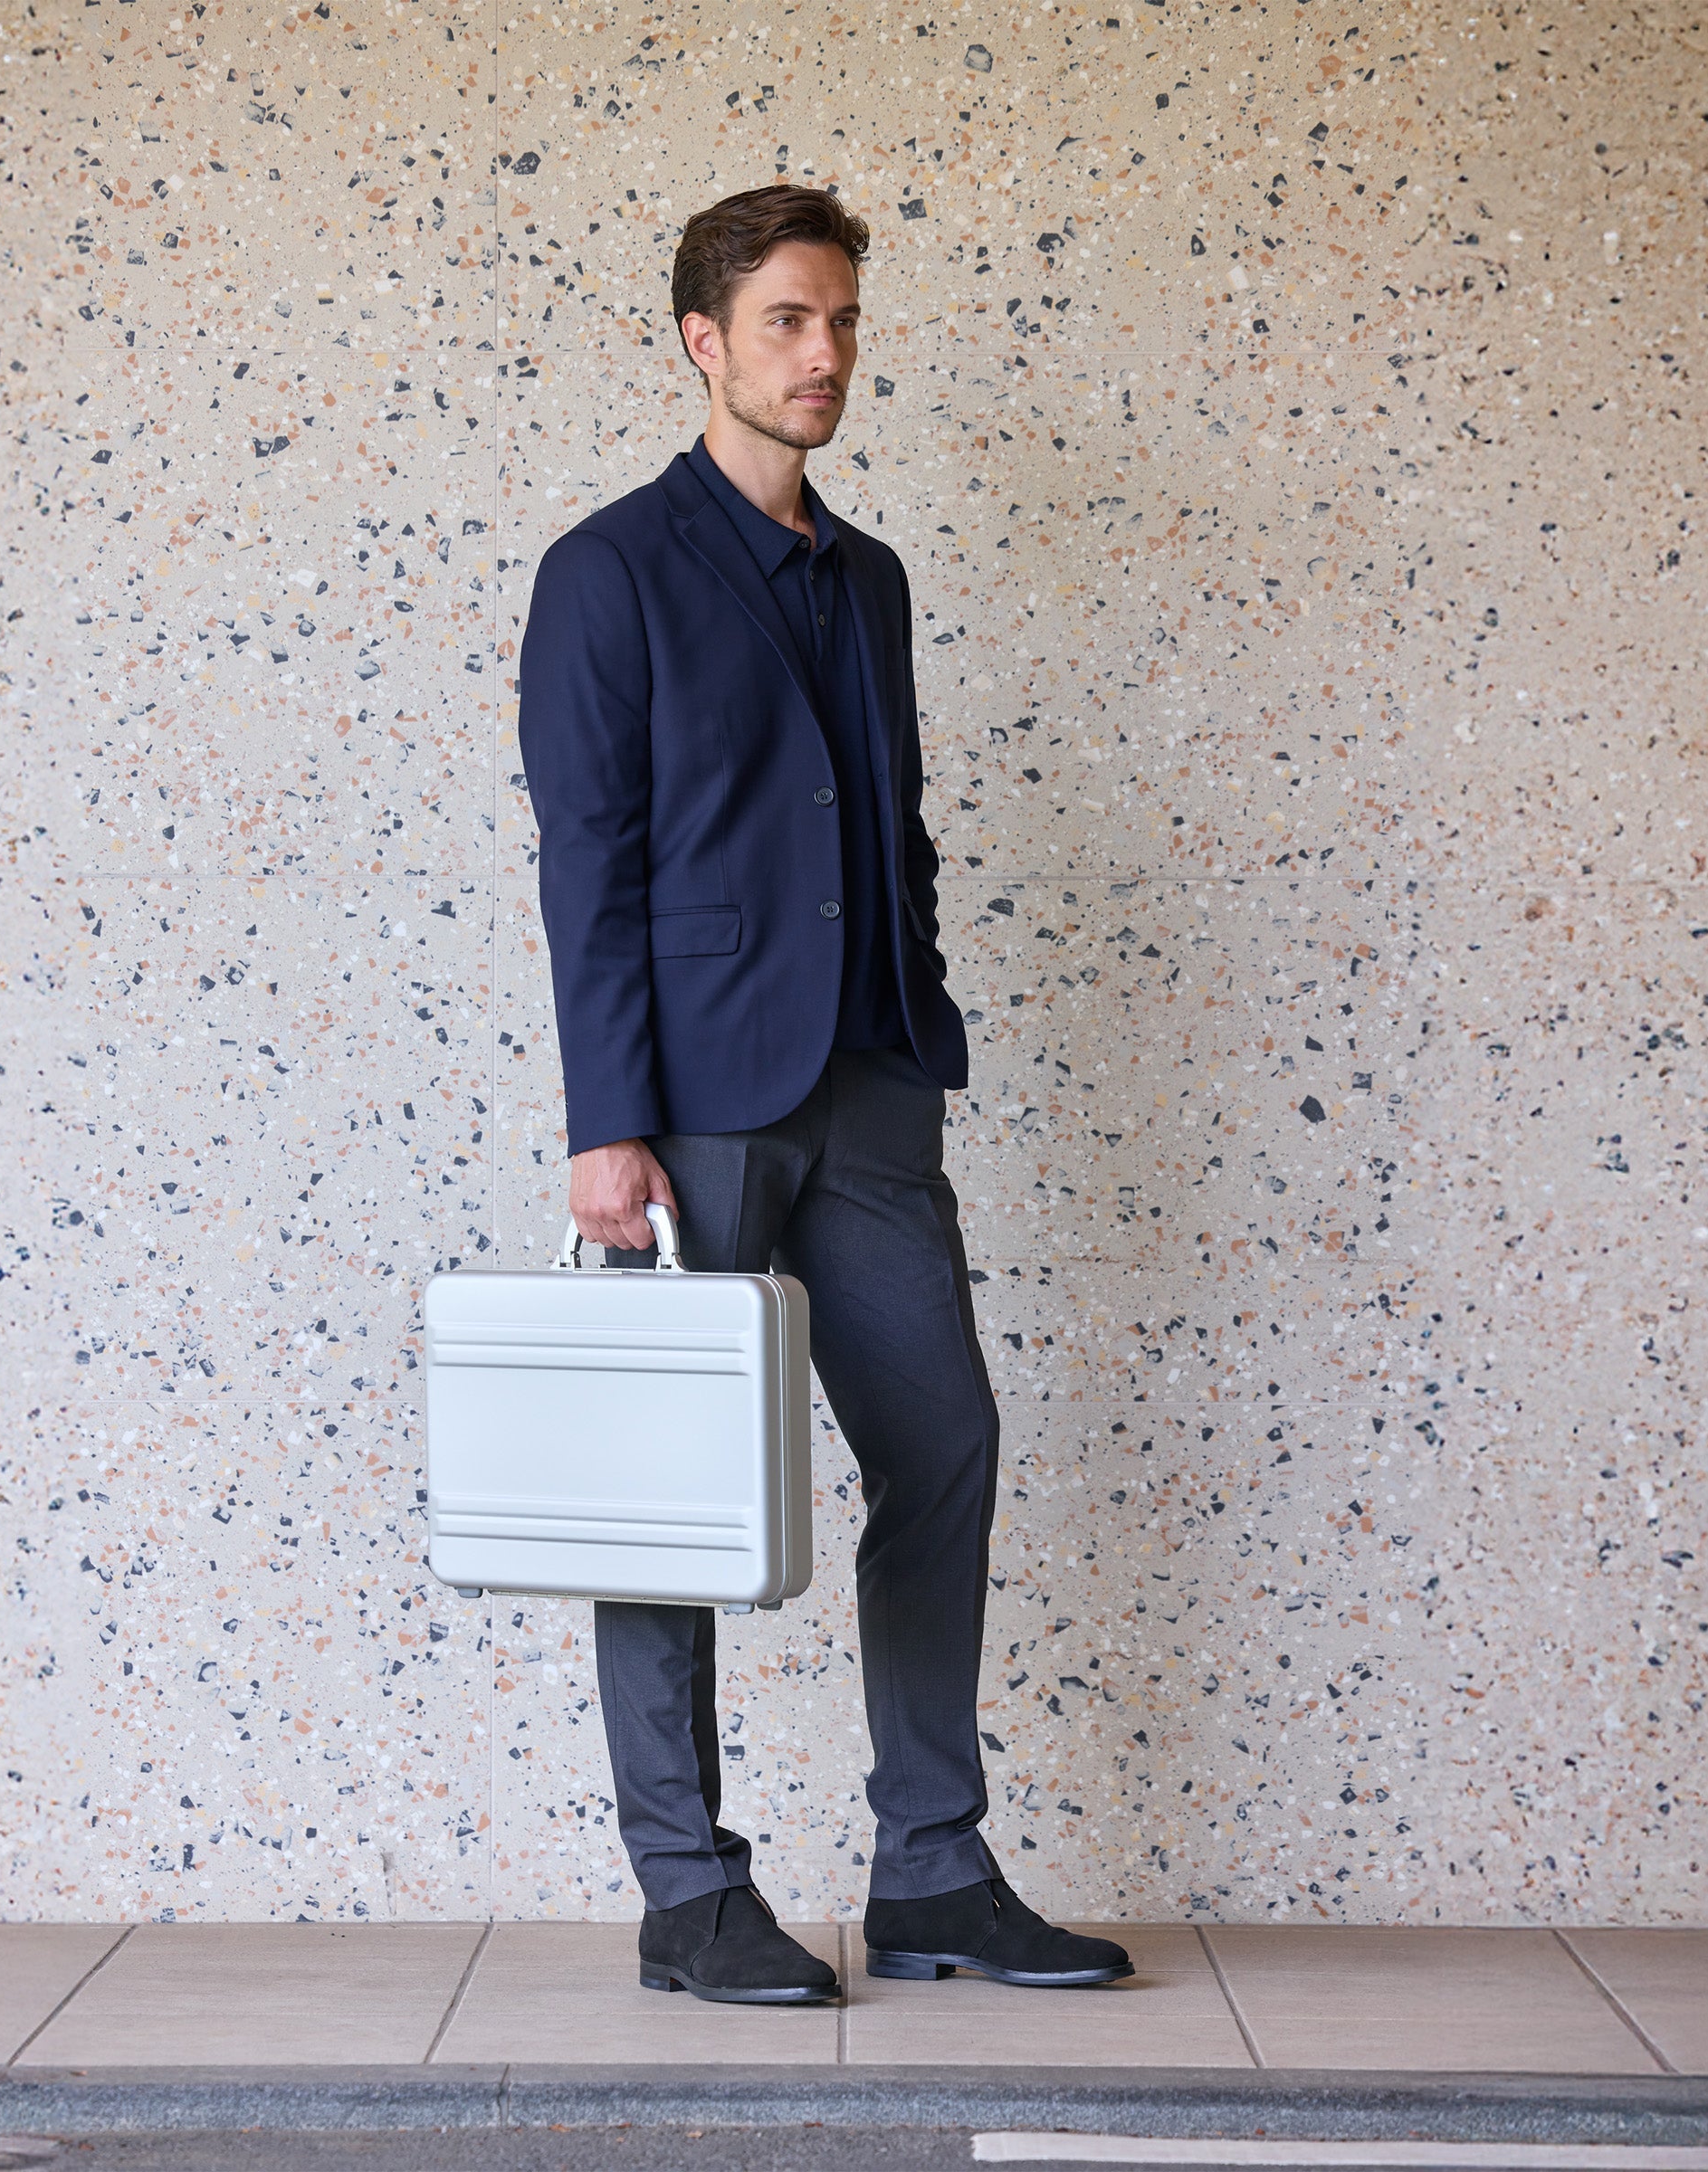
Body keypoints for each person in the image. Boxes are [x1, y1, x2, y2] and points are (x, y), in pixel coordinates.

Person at [516, 185, 1131, 2006]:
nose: (828, 355)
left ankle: (933, 1874)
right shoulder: (607, 572)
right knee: (665, 1497)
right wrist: (603, 1124)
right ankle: (690, 1892)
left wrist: (923, 1029)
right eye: (790, 321)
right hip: (689, 1106)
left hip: (866, 1093)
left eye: (845, 321)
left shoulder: (869, 579)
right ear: (705, 341)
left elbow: (892, 825)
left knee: (943, 1446)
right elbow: (590, 862)